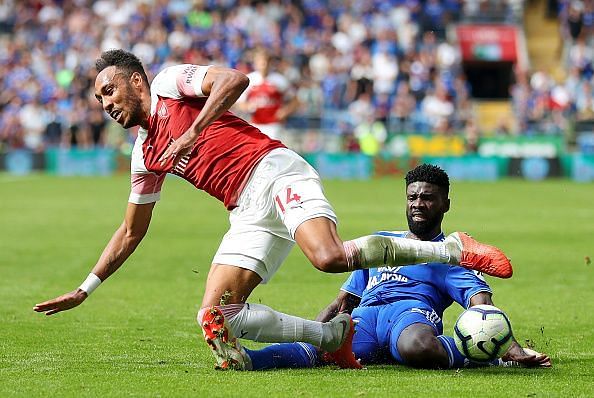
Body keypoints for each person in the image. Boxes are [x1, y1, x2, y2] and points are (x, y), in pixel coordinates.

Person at [33, 50, 512, 371]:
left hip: (276, 171)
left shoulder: (168, 83)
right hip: (245, 208)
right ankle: (330, 339)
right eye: (99, 99)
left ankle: (452, 249)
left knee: (327, 258)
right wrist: (84, 288)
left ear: (134, 80)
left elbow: (235, 79)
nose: (105, 104)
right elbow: (130, 232)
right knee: (218, 316)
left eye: (109, 91)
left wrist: (193, 130)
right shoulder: (143, 155)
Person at [238, 164, 551, 371]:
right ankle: (247, 360)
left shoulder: (450, 255)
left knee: (416, 348)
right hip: (366, 317)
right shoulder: (381, 243)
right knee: (325, 350)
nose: (418, 204)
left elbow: (482, 306)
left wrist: (511, 348)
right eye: (412, 197)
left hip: (410, 315)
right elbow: (343, 302)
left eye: (428, 198)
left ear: (445, 204)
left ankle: (483, 358)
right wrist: (317, 333)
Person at [235, 48, 299, 141]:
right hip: (255, 124)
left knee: (272, 151)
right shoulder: (249, 80)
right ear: (255, 63)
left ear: (270, 63)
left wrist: (285, 111)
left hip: (274, 125)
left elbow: (296, 100)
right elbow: (239, 102)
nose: (263, 64)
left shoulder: (279, 80)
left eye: (265, 61)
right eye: (260, 61)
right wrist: (248, 106)